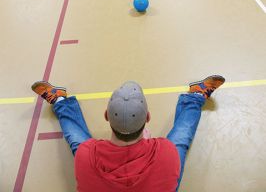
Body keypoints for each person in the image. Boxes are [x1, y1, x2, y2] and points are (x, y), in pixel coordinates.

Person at [31, 75, 225, 191]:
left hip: (92, 154)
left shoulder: (86, 153)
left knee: (77, 143)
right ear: (148, 117)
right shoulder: (166, 151)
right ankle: (196, 96)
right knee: (180, 142)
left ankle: (60, 102)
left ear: (106, 116)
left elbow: (83, 149)